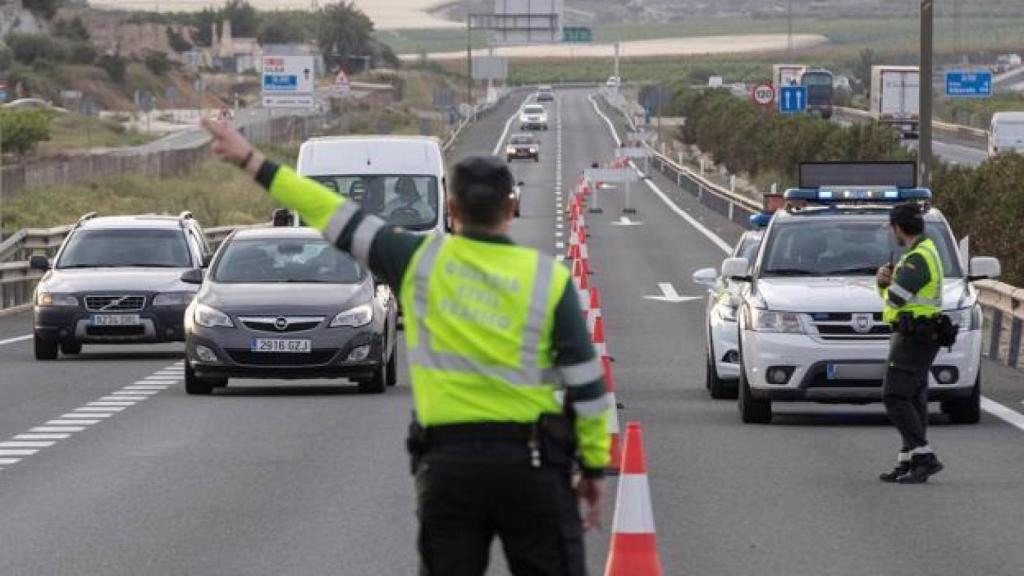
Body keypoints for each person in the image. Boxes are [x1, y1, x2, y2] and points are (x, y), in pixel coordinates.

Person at [201, 118, 610, 575]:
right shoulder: (547, 278)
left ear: (451, 208)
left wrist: (250, 160)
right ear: (510, 208)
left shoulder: (416, 260)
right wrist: (593, 467)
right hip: (532, 465)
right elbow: (587, 385)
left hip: (449, 467)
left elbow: (331, 213)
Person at [876, 202, 945, 484]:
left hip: (914, 336)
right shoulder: (926, 252)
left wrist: (883, 283)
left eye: (893, 228)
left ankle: (924, 455)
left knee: (894, 396)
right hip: (921, 334)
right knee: (914, 398)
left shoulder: (916, 259)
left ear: (899, 228)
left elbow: (895, 299)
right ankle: (908, 461)